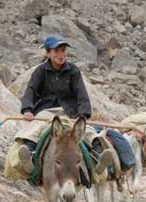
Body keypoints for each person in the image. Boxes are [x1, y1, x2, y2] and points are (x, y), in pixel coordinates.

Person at [15, 35, 104, 174]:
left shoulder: (73, 71)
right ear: (47, 53)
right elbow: (31, 90)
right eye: (56, 51)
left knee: (85, 131)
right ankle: (30, 157)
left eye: (63, 50)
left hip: (69, 111)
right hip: (47, 110)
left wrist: (83, 114)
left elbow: (81, 93)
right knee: (35, 128)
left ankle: (99, 157)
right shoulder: (40, 71)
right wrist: (27, 110)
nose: (61, 54)